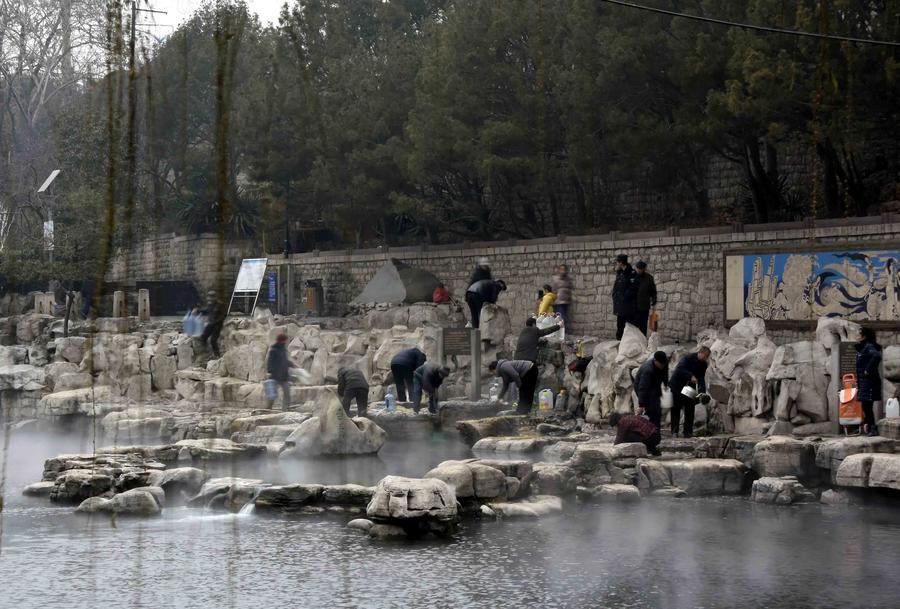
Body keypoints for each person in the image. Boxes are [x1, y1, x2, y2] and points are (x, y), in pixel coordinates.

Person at [669, 346, 710, 438]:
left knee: (690, 408)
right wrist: (690, 376)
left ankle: (687, 432)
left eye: (707, 357)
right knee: (676, 408)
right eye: (704, 356)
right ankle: (674, 431)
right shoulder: (688, 358)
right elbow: (679, 369)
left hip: (689, 388)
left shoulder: (704, 365)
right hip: (677, 385)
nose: (705, 358)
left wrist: (702, 391)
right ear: (700, 353)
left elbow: (701, 378)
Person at [856, 327, 882, 437]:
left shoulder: (869, 346)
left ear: (864, 336)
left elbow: (876, 356)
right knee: (865, 406)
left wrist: (868, 369)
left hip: (869, 382)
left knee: (867, 406)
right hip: (864, 382)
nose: (857, 336)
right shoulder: (863, 348)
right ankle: (869, 425)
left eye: (859, 334)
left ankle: (873, 428)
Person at [633, 351, 669, 429]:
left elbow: (665, 373)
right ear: (655, 361)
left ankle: (656, 430)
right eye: (661, 364)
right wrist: (641, 404)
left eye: (664, 364)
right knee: (650, 409)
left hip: (654, 386)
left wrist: (666, 384)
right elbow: (643, 388)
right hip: (642, 387)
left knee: (657, 409)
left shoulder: (664, 363)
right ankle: (649, 431)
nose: (663, 366)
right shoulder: (648, 370)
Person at [265, 334, 295, 410]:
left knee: (287, 393)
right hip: (275, 376)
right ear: (283, 340)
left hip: (284, 376)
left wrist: (292, 364)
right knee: (272, 395)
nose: (287, 341)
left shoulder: (283, 350)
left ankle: (285, 409)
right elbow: (270, 362)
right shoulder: (273, 350)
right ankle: (267, 409)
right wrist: (269, 371)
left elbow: (285, 361)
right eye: (286, 340)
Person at [612, 254, 638, 340]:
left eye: (617, 262)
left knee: (630, 328)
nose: (616, 264)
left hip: (628, 307)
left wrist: (623, 298)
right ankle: (619, 345)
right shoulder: (620, 273)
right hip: (620, 306)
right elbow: (616, 287)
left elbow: (633, 289)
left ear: (622, 263)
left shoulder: (631, 273)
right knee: (620, 327)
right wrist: (614, 295)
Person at [634, 261, 657, 336]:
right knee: (634, 327)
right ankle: (634, 344)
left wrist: (654, 300)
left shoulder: (649, 278)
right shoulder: (632, 277)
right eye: (638, 269)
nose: (639, 270)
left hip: (644, 306)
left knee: (643, 326)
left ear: (644, 269)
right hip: (634, 307)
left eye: (640, 269)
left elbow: (653, 291)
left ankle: (643, 343)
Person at [200, 290, 226, 357]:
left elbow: (223, 316)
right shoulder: (210, 304)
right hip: (210, 324)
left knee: (213, 341)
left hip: (217, 325)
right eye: (209, 297)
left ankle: (217, 355)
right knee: (203, 337)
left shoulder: (221, 304)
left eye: (211, 297)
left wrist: (216, 322)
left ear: (215, 297)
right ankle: (207, 352)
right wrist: (197, 310)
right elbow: (205, 311)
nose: (209, 299)